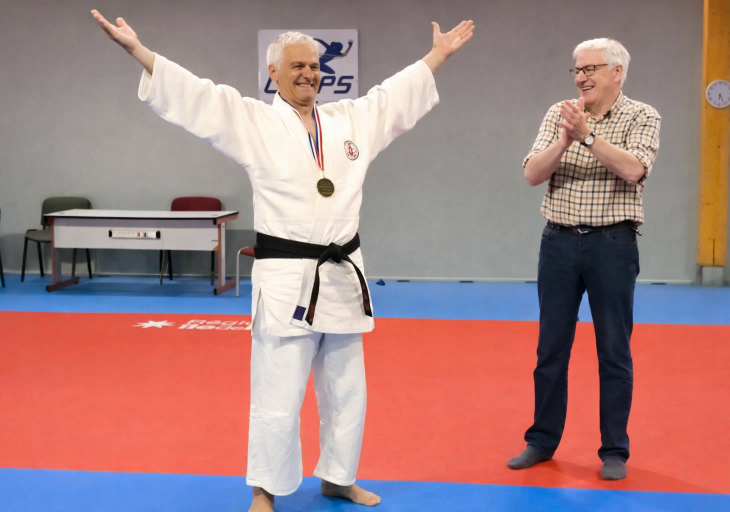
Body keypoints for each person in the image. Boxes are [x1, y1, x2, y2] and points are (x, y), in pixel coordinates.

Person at [91, 9, 473, 511]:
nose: (309, 73)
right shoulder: (254, 121)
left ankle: (338, 477)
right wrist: (140, 53)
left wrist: (437, 55)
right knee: (277, 394)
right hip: (287, 277)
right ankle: (264, 490)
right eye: (297, 65)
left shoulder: (348, 120)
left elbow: (393, 97)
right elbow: (199, 96)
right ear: (273, 72)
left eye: (314, 65)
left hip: (341, 275)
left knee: (347, 391)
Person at [507, 38, 661, 481]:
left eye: (590, 68)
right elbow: (533, 174)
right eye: (576, 70)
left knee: (614, 351)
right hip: (557, 243)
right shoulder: (561, 112)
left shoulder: (642, 115)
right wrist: (564, 139)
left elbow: (634, 168)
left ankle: (614, 450)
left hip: (612, 245)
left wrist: (589, 136)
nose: (581, 77)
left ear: (617, 72)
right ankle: (541, 441)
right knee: (550, 347)